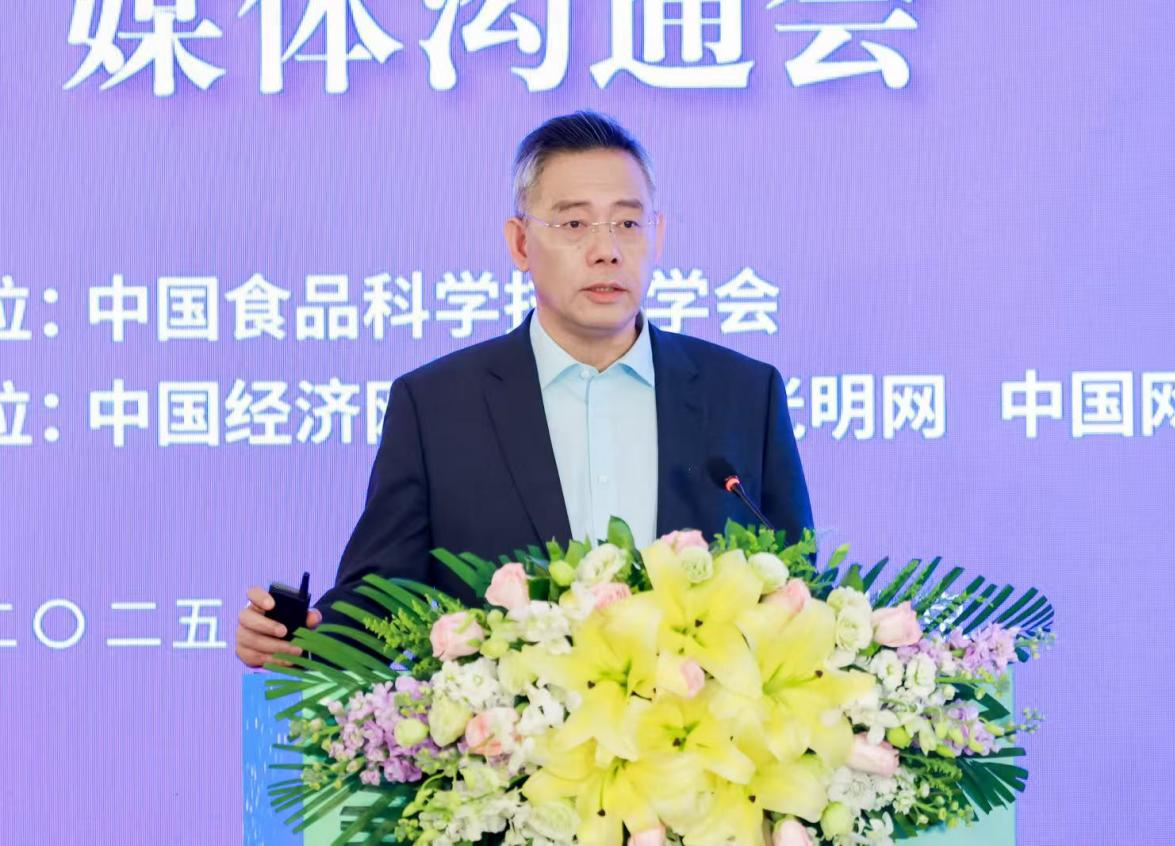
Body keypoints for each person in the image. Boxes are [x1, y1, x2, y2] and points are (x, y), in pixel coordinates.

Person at [235, 110, 812, 668]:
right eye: (574, 224)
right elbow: (386, 596)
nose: (607, 249)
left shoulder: (744, 395)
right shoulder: (437, 408)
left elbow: (799, 590)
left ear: (657, 236)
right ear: (520, 244)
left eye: (628, 223)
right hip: (509, 733)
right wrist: (308, 639)